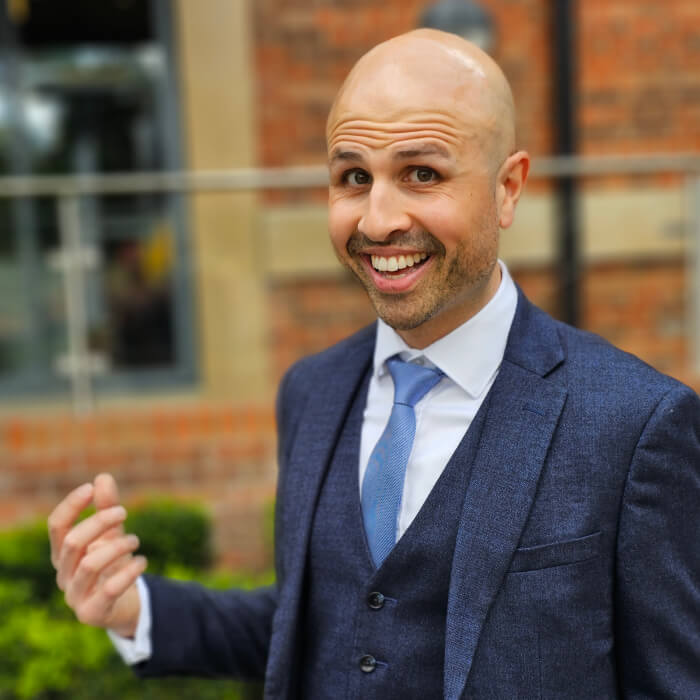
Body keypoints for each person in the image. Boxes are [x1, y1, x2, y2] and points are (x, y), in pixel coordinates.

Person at [48, 29, 700, 699]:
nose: (379, 219)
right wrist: (138, 610)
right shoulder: (312, 391)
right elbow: (330, 621)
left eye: (423, 174)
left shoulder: (636, 424)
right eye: (353, 177)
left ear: (508, 188)